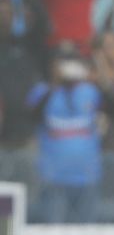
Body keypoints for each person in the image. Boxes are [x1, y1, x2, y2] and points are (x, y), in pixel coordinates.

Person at [27, 44, 102, 223]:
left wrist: (92, 73)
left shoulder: (90, 91)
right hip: (54, 177)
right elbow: (32, 115)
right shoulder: (41, 92)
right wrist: (55, 83)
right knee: (53, 230)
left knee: (87, 231)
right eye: (62, 62)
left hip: (87, 176)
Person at [0, 0, 42, 149]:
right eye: (1, 13)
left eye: (9, 13)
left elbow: (43, 25)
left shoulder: (25, 44)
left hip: (25, 134)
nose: (5, 18)